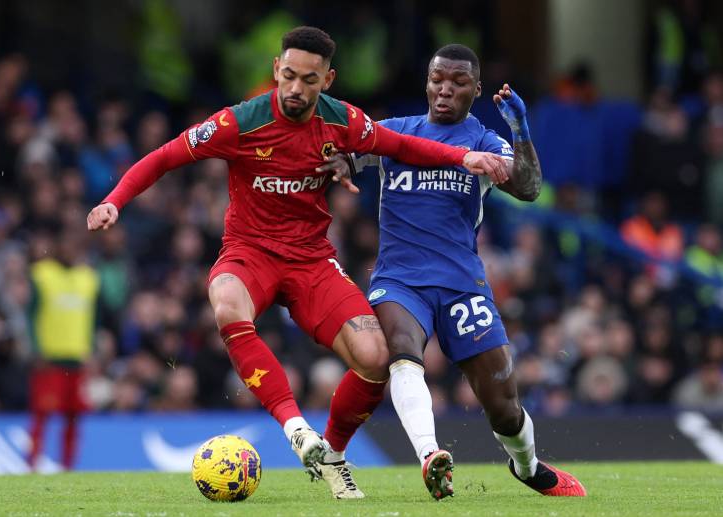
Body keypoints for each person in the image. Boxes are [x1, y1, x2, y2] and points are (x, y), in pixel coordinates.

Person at [87, 27, 508, 499]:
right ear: (276, 70)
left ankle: (333, 457)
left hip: (311, 261)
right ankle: (296, 428)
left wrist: (464, 157)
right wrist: (114, 201)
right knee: (225, 300)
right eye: (288, 75)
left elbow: (402, 146)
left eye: (308, 80)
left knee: (377, 358)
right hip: (250, 253)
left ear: (327, 80)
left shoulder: (343, 120)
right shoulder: (239, 122)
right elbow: (165, 157)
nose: (295, 88)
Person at [339, 44, 586, 499]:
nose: (445, 89)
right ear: (426, 83)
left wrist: (520, 129)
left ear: (476, 89)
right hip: (399, 280)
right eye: (437, 79)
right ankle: (430, 456)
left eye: (458, 82)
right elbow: (344, 155)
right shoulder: (396, 133)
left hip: (461, 285)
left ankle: (527, 467)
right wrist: (337, 164)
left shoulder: (485, 142)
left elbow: (529, 187)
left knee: (504, 407)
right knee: (401, 349)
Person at [28, 227, 98, 470]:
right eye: (66, 245)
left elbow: (94, 318)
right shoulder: (42, 274)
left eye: (75, 247)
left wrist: (92, 349)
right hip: (50, 358)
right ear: (56, 248)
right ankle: (32, 464)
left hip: (77, 358)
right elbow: (30, 314)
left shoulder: (88, 278)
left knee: (74, 417)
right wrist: (35, 348)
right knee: (42, 415)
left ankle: (68, 467)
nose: (71, 251)